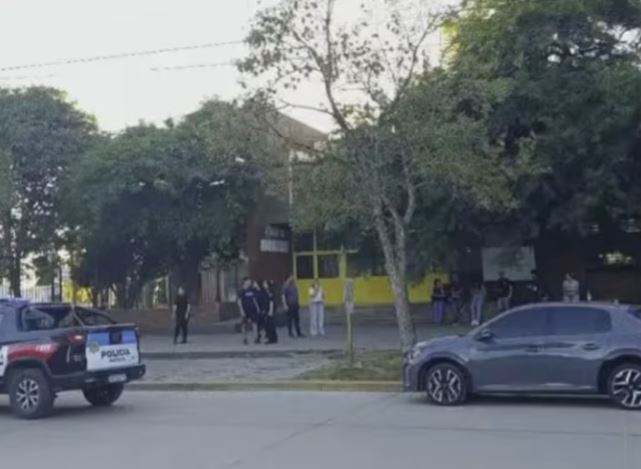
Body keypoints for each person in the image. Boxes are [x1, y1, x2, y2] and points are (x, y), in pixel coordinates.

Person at [238, 277, 260, 345]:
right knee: (244, 325)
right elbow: (239, 301)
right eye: (248, 281)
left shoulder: (252, 290)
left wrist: (257, 308)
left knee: (254, 323)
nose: (249, 282)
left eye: (250, 281)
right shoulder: (241, 291)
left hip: (253, 309)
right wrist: (241, 310)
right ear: (244, 282)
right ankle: (245, 338)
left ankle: (256, 338)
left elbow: (255, 299)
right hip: (245, 310)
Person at [258, 280, 278, 344]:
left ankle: (272, 338)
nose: (264, 285)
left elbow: (271, 301)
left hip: (269, 310)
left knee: (270, 325)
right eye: (263, 284)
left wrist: (270, 311)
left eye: (265, 284)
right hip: (265, 310)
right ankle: (270, 337)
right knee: (267, 325)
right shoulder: (263, 292)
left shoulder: (270, 292)